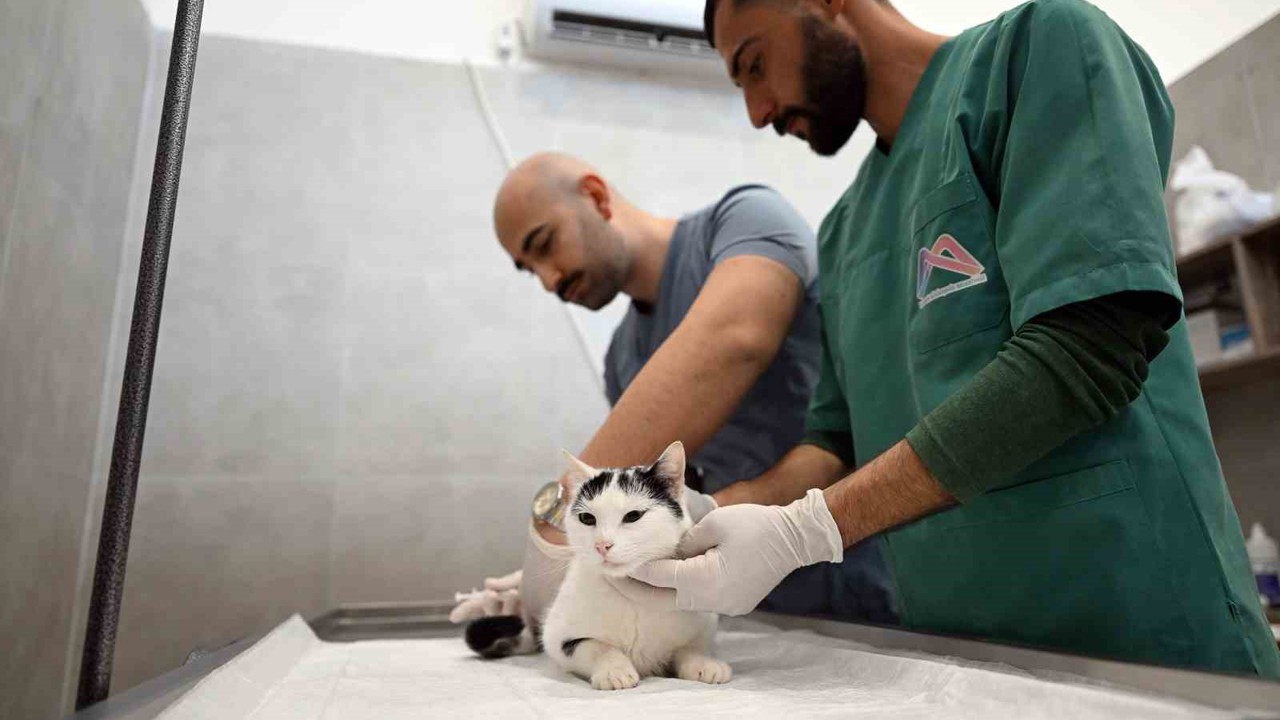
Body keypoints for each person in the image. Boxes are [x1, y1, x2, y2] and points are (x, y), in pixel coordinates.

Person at [625, 0, 1280, 676]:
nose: (758, 111)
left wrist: (809, 531)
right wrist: (702, 515)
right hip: (961, 667)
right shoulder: (846, 231)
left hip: (1147, 646)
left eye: (755, 65)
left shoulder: (1035, 53)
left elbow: (1088, 347)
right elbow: (834, 443)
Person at [451, 152, 894, 629]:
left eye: (544, 244)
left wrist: (553, 528)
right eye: (528, 269)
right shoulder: (623, 359)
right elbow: (664, 504)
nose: (548, 280)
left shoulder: (746, 221)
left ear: (596, 197)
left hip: (863, 569)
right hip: (756, 608)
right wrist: (585, 561)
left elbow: (736, 339)